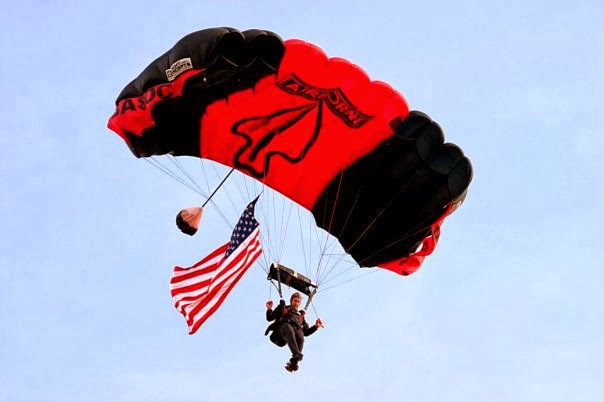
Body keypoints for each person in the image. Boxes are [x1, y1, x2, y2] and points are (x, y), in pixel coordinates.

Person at [265, 292, 323, 372]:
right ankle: (296, 354)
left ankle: (294, 362)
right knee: (288, 328)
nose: (296, 303)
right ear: (291, 301)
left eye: (298, 302)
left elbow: (306, 332)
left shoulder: (300, 316)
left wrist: (316, 326)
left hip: (291, 334)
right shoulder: (283, 308)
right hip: (280, 332)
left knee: (300, 335)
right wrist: (269, 309)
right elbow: (270, 318)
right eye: (295, 301)